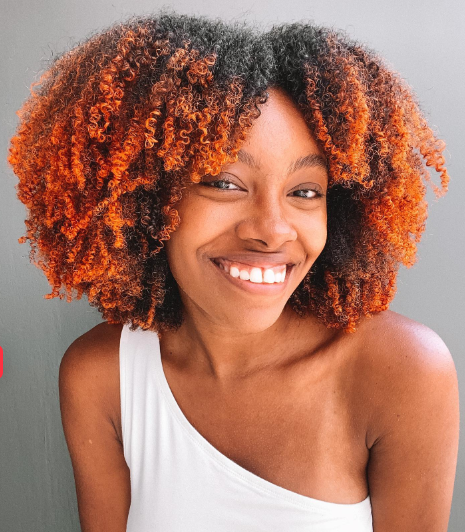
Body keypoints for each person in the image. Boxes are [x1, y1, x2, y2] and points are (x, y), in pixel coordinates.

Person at [7, 9, 459, 532]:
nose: (272, 229)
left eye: (305, 192)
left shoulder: (401, 372)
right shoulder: (101, 376)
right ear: (146, 198)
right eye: (224, 182)